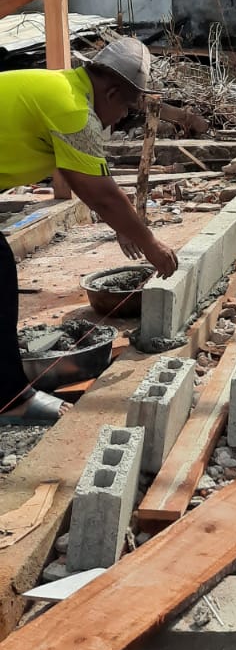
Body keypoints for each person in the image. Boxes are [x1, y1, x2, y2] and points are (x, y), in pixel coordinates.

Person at [0, 36, 178, 426]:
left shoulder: (61, 87)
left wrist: (124, 226)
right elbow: (98, 191)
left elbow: (95, 173)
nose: (118, 121)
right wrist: (151, 244)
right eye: (125, 109)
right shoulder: (73, 111)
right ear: (112, 91)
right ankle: (10, 400)